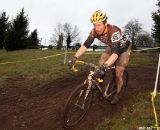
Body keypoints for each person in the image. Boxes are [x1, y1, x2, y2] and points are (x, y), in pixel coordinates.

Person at [68, 10, 131, 105]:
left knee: (118, 73)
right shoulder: (94, 32)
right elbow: (85, 46)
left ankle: (118, 93)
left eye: (99, 25)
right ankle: (100, 84)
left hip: (124, 49)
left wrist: (106, 66)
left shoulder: (114, 31)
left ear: (105, 23)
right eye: (94, 25)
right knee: (100, 63)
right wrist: (74, 58)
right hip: (112, 46)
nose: (96, 28)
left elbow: (115, 53)